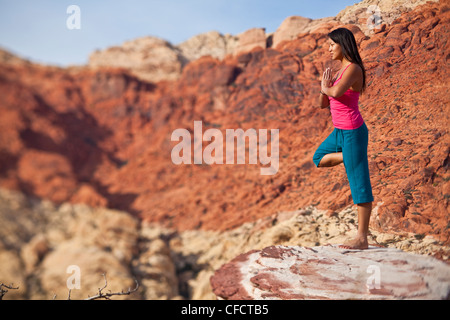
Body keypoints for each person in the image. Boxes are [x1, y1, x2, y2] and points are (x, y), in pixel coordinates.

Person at [313, 27, 374, 250]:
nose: (329, 49)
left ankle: (362, 239)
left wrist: (325, 87)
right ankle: (349, 158)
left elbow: (336, 93)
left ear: (343, 44)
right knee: (318, 158)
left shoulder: (354, 69)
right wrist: (324, 88)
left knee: (359, 183)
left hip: (353, 131)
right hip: (339, 131)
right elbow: (322, 103)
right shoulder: (339, 72)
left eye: (332, 44)